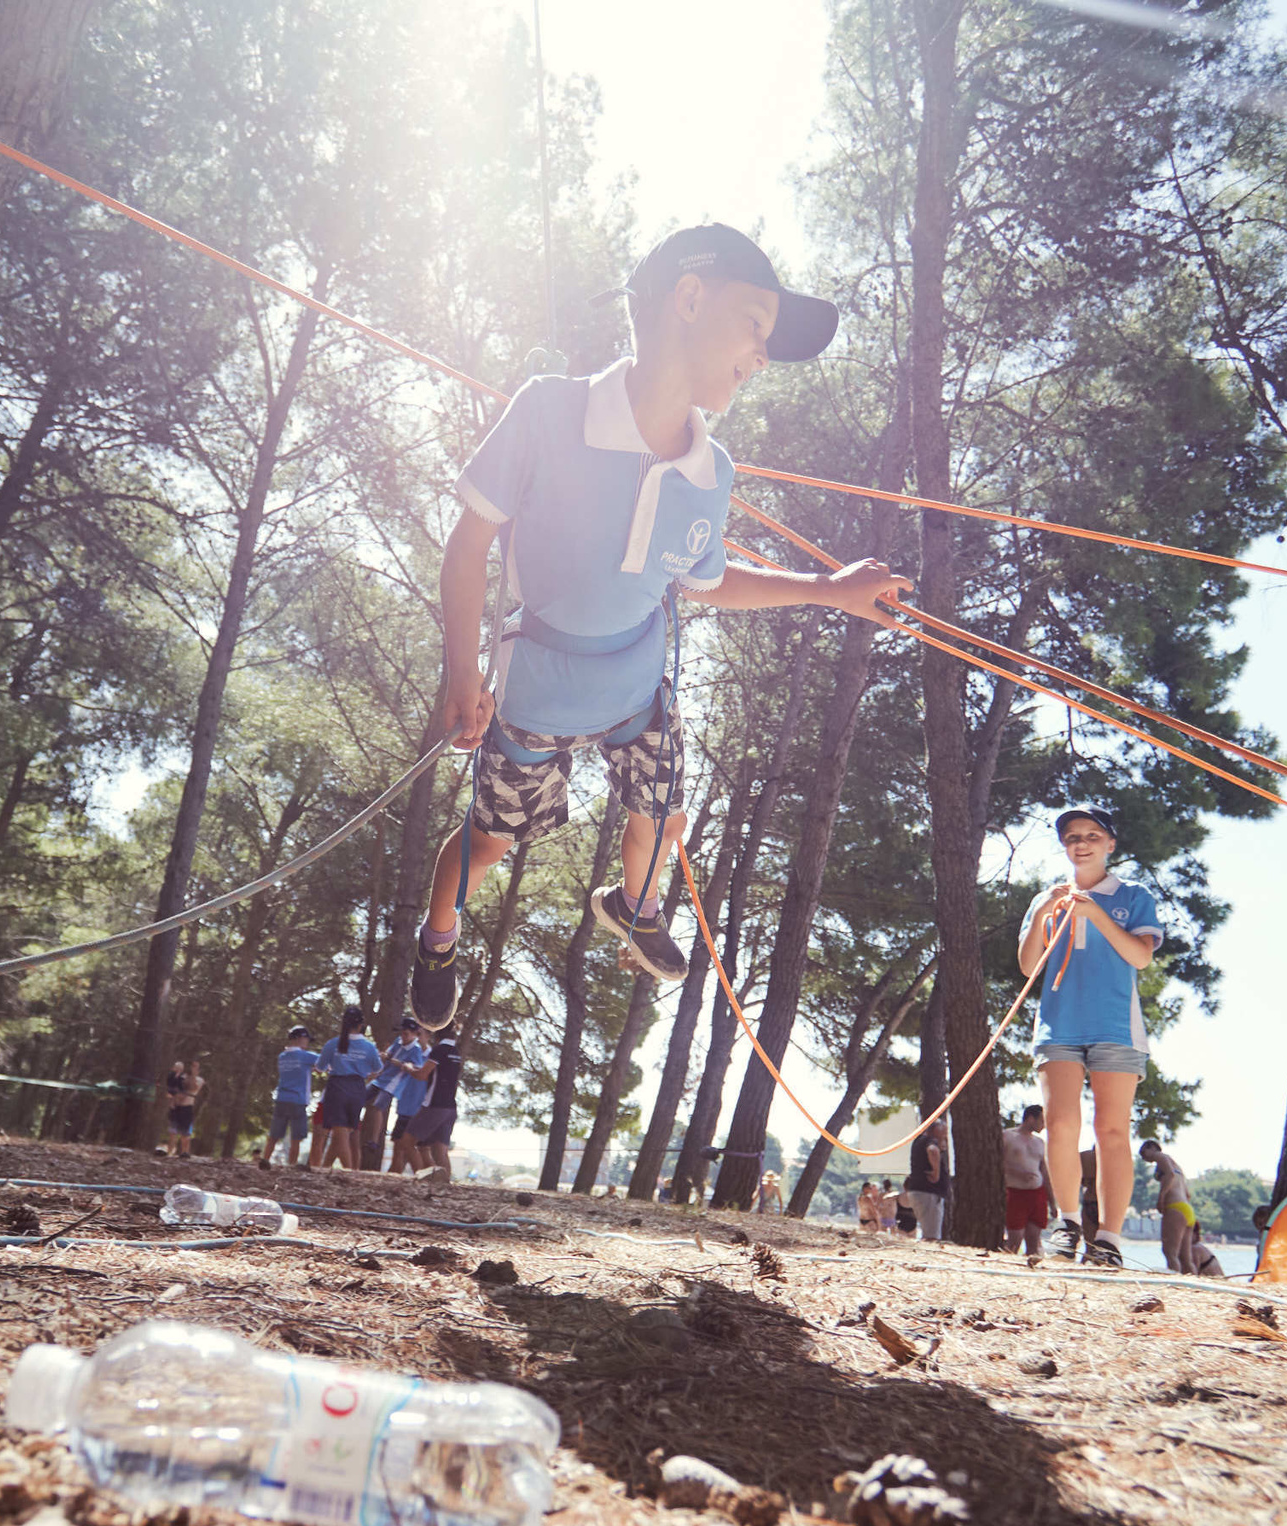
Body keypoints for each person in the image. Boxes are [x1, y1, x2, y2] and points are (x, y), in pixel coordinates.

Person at [406, 225, 908, 1031]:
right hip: (537, 693)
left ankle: (632, 905)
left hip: (637, 689)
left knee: (666, 819)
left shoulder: (714, 472)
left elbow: (706, 582)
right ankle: (436, 942)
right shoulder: (549, 408)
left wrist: (828, 589)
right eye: (756, 323)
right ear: (688, 297)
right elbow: (466, 550)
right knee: (490, 847)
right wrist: (460, 674)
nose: (764, 355)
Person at [1019, 807, 1164, 1268]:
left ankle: (1109, 1239)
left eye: (1092, 835)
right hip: (1059, 1025)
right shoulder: (1048, 898)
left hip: (1116, 1027)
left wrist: (1096, 915)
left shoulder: (1133, 896)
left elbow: (1140, 957)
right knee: (1060, 1124)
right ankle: (1065, 1224)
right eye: (1072, 836)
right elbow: (1027, 966)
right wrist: (1046, 908)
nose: (1081, 843)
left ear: (1110, 844)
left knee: (1111, 1130)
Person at [310, 1007, 384, 1170]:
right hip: (358, 1088)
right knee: (346, 1132)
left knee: (340, 1133)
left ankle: (349, 1171)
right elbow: (378, 1069)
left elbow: (320, 1067)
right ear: (361, 1025)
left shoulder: (332, 1044)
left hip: (337, 1087)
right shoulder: (369, 1047)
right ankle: (327, 1167)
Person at [400, 1025, 464, 1174]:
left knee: (407, 1142)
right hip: (450, 1108)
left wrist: (408, 1068)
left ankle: (421, 1176)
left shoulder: (439, 1051)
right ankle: (445, 1186)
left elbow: (422, 1075)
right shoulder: (455, 1052)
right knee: (440, 1150)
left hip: (434, 1105)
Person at [374, 1018, 430, 1173]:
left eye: (420, 1034)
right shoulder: (406, 1049)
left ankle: (426, 1180)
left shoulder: (431, 1058)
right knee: (398, 1148)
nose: (418, 1037)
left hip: (419, 1109)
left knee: (420, 1149)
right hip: (405, 1106)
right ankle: (393, 1178)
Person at [263, 1026, 315, 1168]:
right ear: (299, 1038)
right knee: (296, 1137)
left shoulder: (282, 1056)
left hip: (281, 1098)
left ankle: (265, 1160)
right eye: (306, 1039)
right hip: (298, 1100)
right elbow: (325, 1063)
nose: (307, 1043)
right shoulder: (306, 1056)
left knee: (274, 1135)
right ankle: (292, 1165)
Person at [1002, 1104, 1049, 1256]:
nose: (1044, 1125)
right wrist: (1017, 1173)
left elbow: (1044, 1171)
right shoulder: (1008, 1136)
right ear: (1030, 1118)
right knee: (1015, 1239)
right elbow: (997, 1163)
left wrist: (1052, 1202)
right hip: (1015, 1192)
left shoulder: (1040, 1142)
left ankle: (1032, 1267)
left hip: (1037, 1193)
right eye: (1042, 1120)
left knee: (1034, 1240)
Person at [1143, 1140, 1195, 1274]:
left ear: (1151, 1147)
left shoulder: (1160, 1156)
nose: (1144, 1158)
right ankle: (1194, 1284)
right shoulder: (1178, 1166)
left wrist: (1161, 1197)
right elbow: (1187, 1193)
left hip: (1175, 1207)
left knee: (1170, 1252)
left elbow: (1170, 1175)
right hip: (1186, 1209)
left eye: (1143, 1153)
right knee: (1186, 1258)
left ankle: (1175, 1281)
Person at [902, 1121, 949, 1241]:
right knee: (931, 1236)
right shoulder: (929, 1141)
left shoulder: (919, 1141)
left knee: (928, 1231)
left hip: (920, 1191)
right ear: (935, 1130)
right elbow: (933, 1150)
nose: (944, 1135)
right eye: (943, 1132)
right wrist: (936, 1172)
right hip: (928, 1192)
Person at [163, 1060, 204, 1157]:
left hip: (187, 1108)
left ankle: (184, 1153)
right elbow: (171, 1091)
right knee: (172, 1132)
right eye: (192, 1067)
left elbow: (193, 1088)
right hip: (176, 1107)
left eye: (196, 1068)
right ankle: (169, 1153)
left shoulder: (199, 1079)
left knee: (185, 1134)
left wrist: (193, 1074)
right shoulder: (180, 1078)